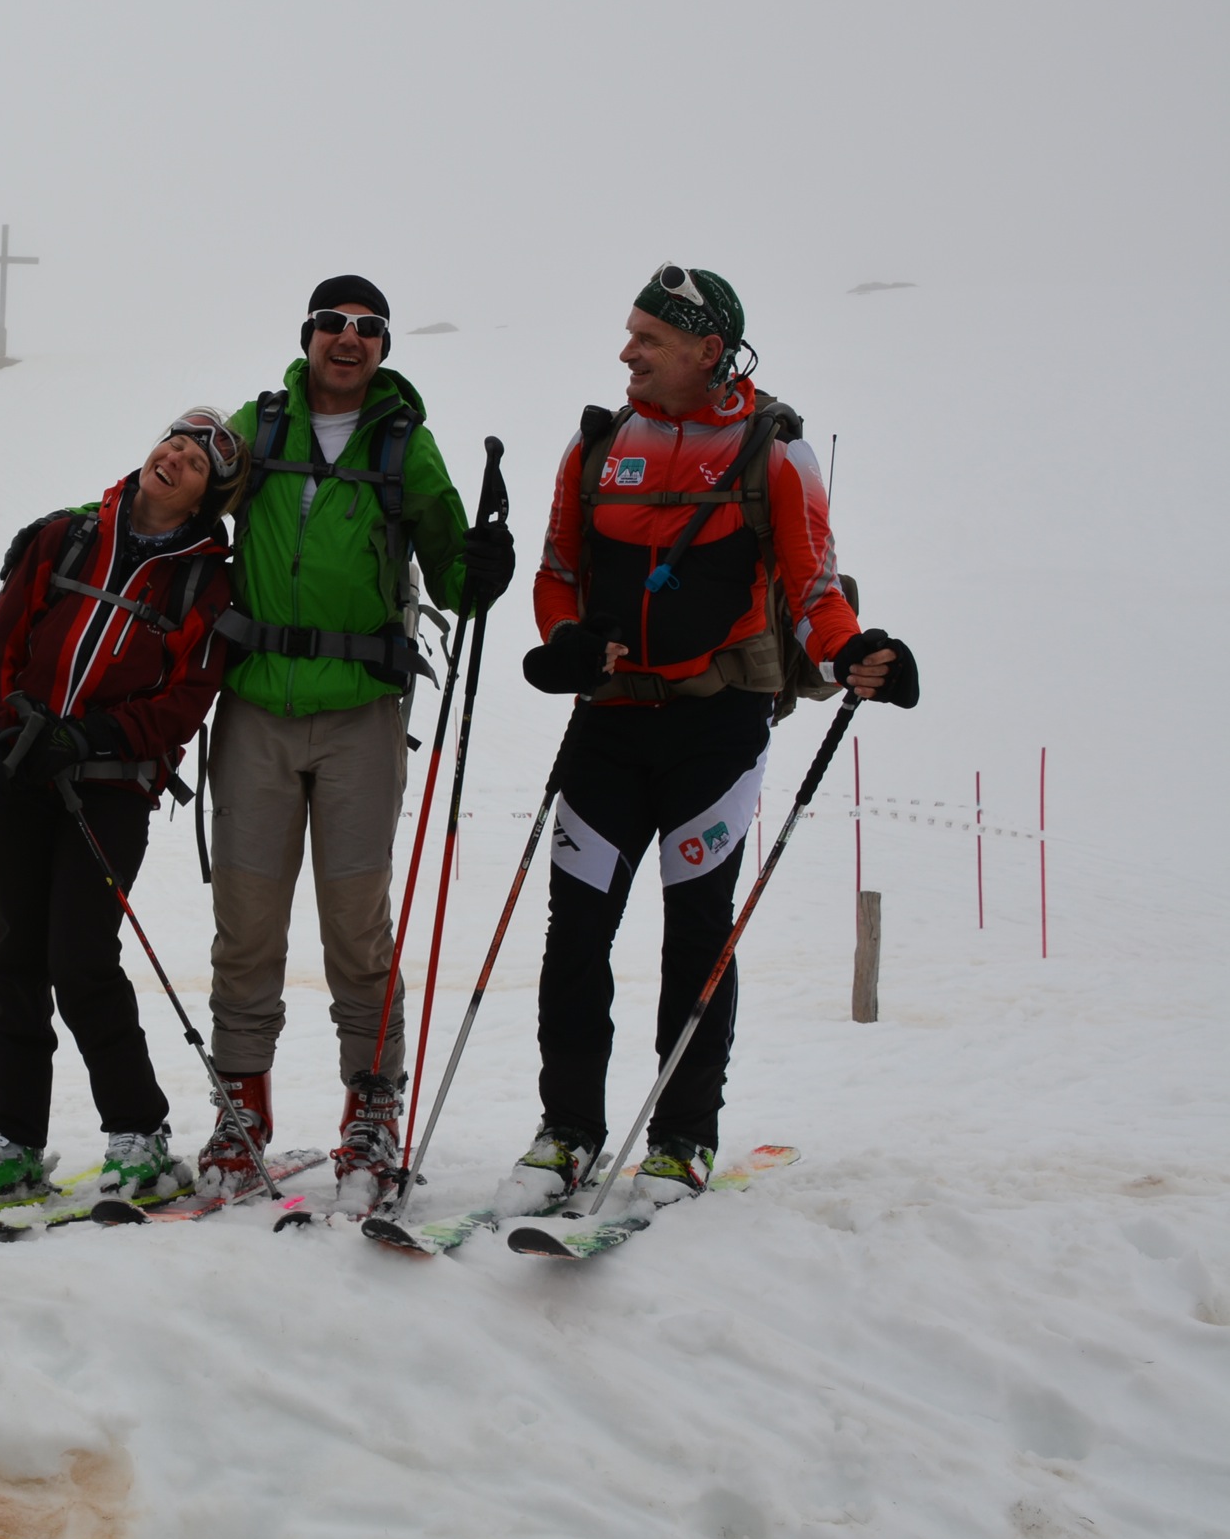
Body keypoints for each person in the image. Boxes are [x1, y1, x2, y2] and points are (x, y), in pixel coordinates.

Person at [511, 263, 919, 1207]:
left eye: (647, 339)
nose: (627, 352)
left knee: (698, 928)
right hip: (611, 720)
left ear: (707, 349)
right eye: (630, 333)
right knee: (577, 930)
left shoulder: (774, 451)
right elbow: (557, 572)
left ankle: (682, 1137)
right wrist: (566, 643)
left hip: (717, 723)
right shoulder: (597, 445)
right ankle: (566, 1132)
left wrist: (859, 651)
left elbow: (814, 590)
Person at [198, 277, 518, 1205]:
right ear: (307, 335)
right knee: (246, 922)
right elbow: (176, 494)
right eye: (334, 323)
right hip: (255, 706)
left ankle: (372, 1107)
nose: (350, 338)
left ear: (383, 346)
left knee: (356, 925)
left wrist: (483, 567)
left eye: (368, 327)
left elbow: (453, 577)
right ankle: (242, 1108)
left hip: (361, 715)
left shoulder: (405, 444)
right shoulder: (258, 429)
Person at [0, 411, 244, 1203]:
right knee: (16, 956)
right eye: (173, 443)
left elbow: (185, 700)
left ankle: (139, 1133)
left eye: (196, 461)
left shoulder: (206, 581)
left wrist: (91, 735)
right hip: (21, 768)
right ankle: (12, 1139)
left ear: (206, 497)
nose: (175, 456)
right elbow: (1, 644)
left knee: (80, 956)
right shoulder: (65, 538)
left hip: (110, 786)